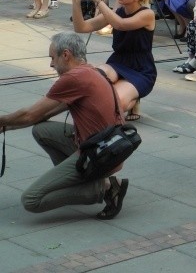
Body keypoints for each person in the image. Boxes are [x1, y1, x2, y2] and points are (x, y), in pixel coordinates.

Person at [0, 32, 127, 218]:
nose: (51, 64)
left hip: (100, 156)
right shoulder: (90, 71)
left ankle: (104, 188)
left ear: (65, 55)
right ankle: (81, 180)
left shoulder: (74, 78)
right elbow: (44, 114)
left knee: (31, 200)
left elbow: (29, 114)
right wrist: (6, 127)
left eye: (53, 58)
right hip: (110, 148)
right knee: (42, 130)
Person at [72, 0, 156, 121]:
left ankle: (133, 99)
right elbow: (81, 27)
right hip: (118, 61)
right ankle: (127, 98)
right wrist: (75, 2)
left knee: (115, 104)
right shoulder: (117, 12)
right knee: (92, 78)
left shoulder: (147, 14)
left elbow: (120, 24)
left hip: (141, 68)